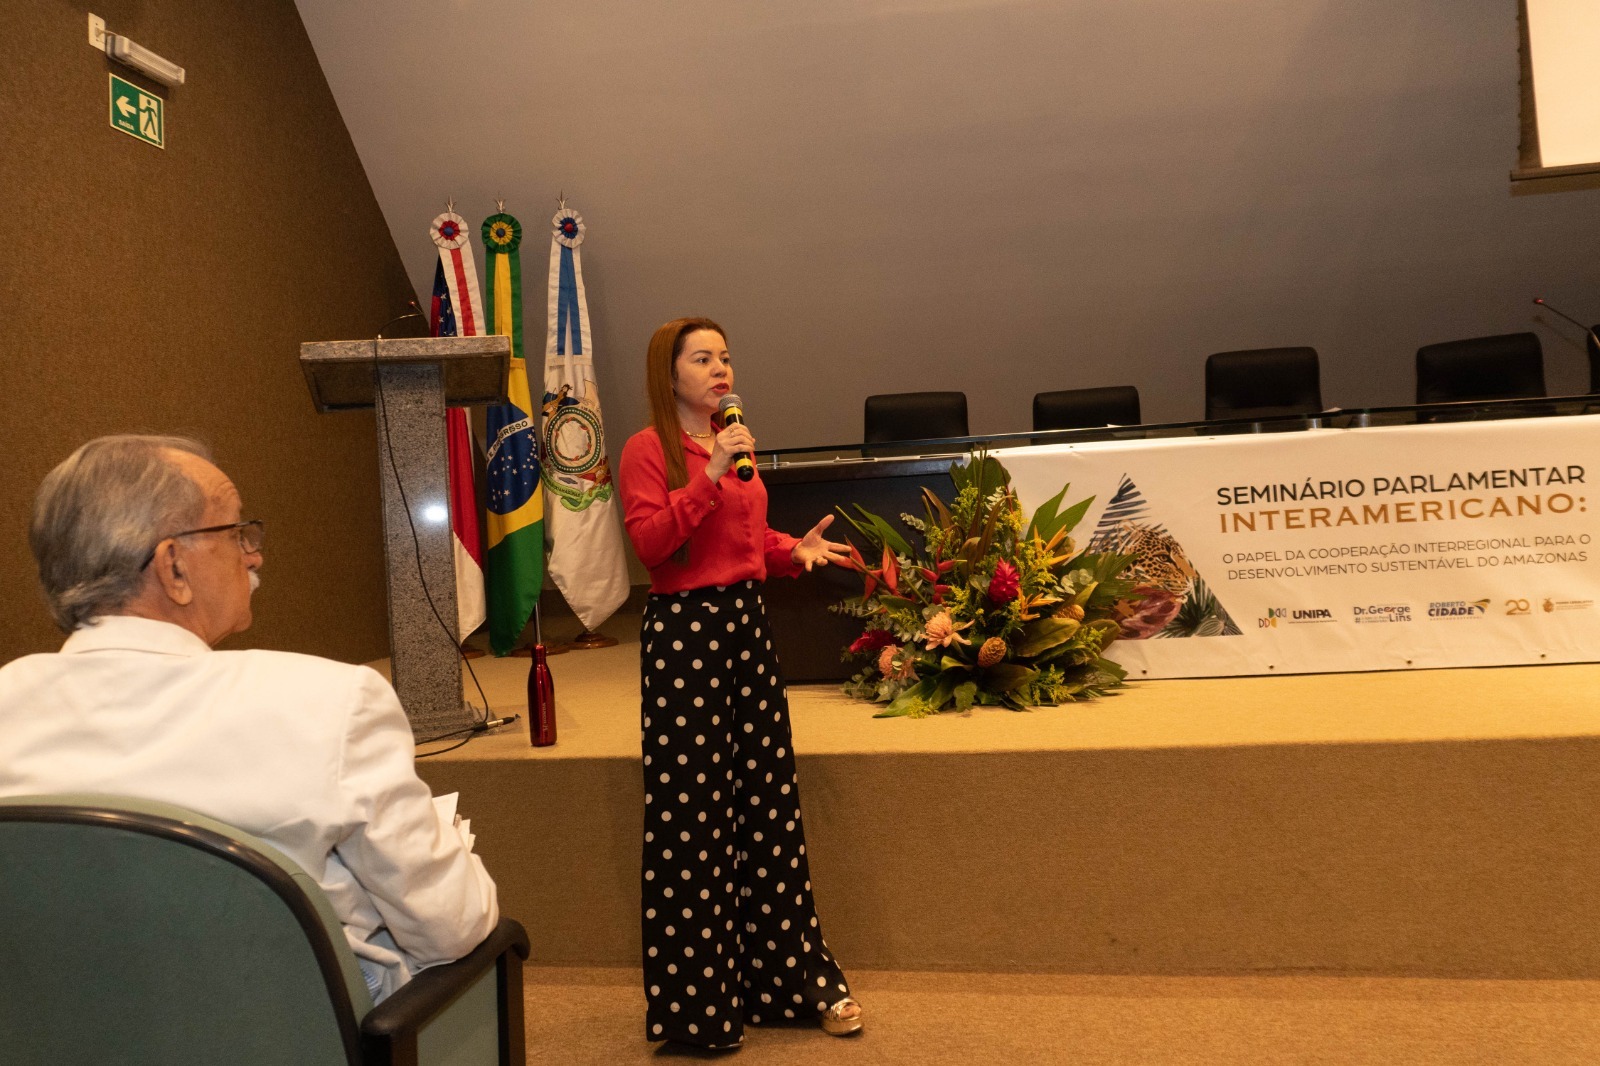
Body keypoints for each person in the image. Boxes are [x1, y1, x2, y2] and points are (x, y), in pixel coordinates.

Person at [0, 435, 498, 1002]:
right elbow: (454, 929)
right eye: (235, 532)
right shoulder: (331, 702)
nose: (254, 554)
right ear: (173, 568)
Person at [617, 317, 862, 1050]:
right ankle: (700, 1009)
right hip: (685, 638)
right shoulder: (648, 450)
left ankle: (789, 985)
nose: (720, 368)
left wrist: (795, 551)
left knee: (768, 811)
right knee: (692, 819)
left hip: (747, 631)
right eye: (702, 358)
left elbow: (743, 542)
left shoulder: (735, 443)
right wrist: (710, 473)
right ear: (670, 375)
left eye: (725, 356)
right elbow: (655, 544)